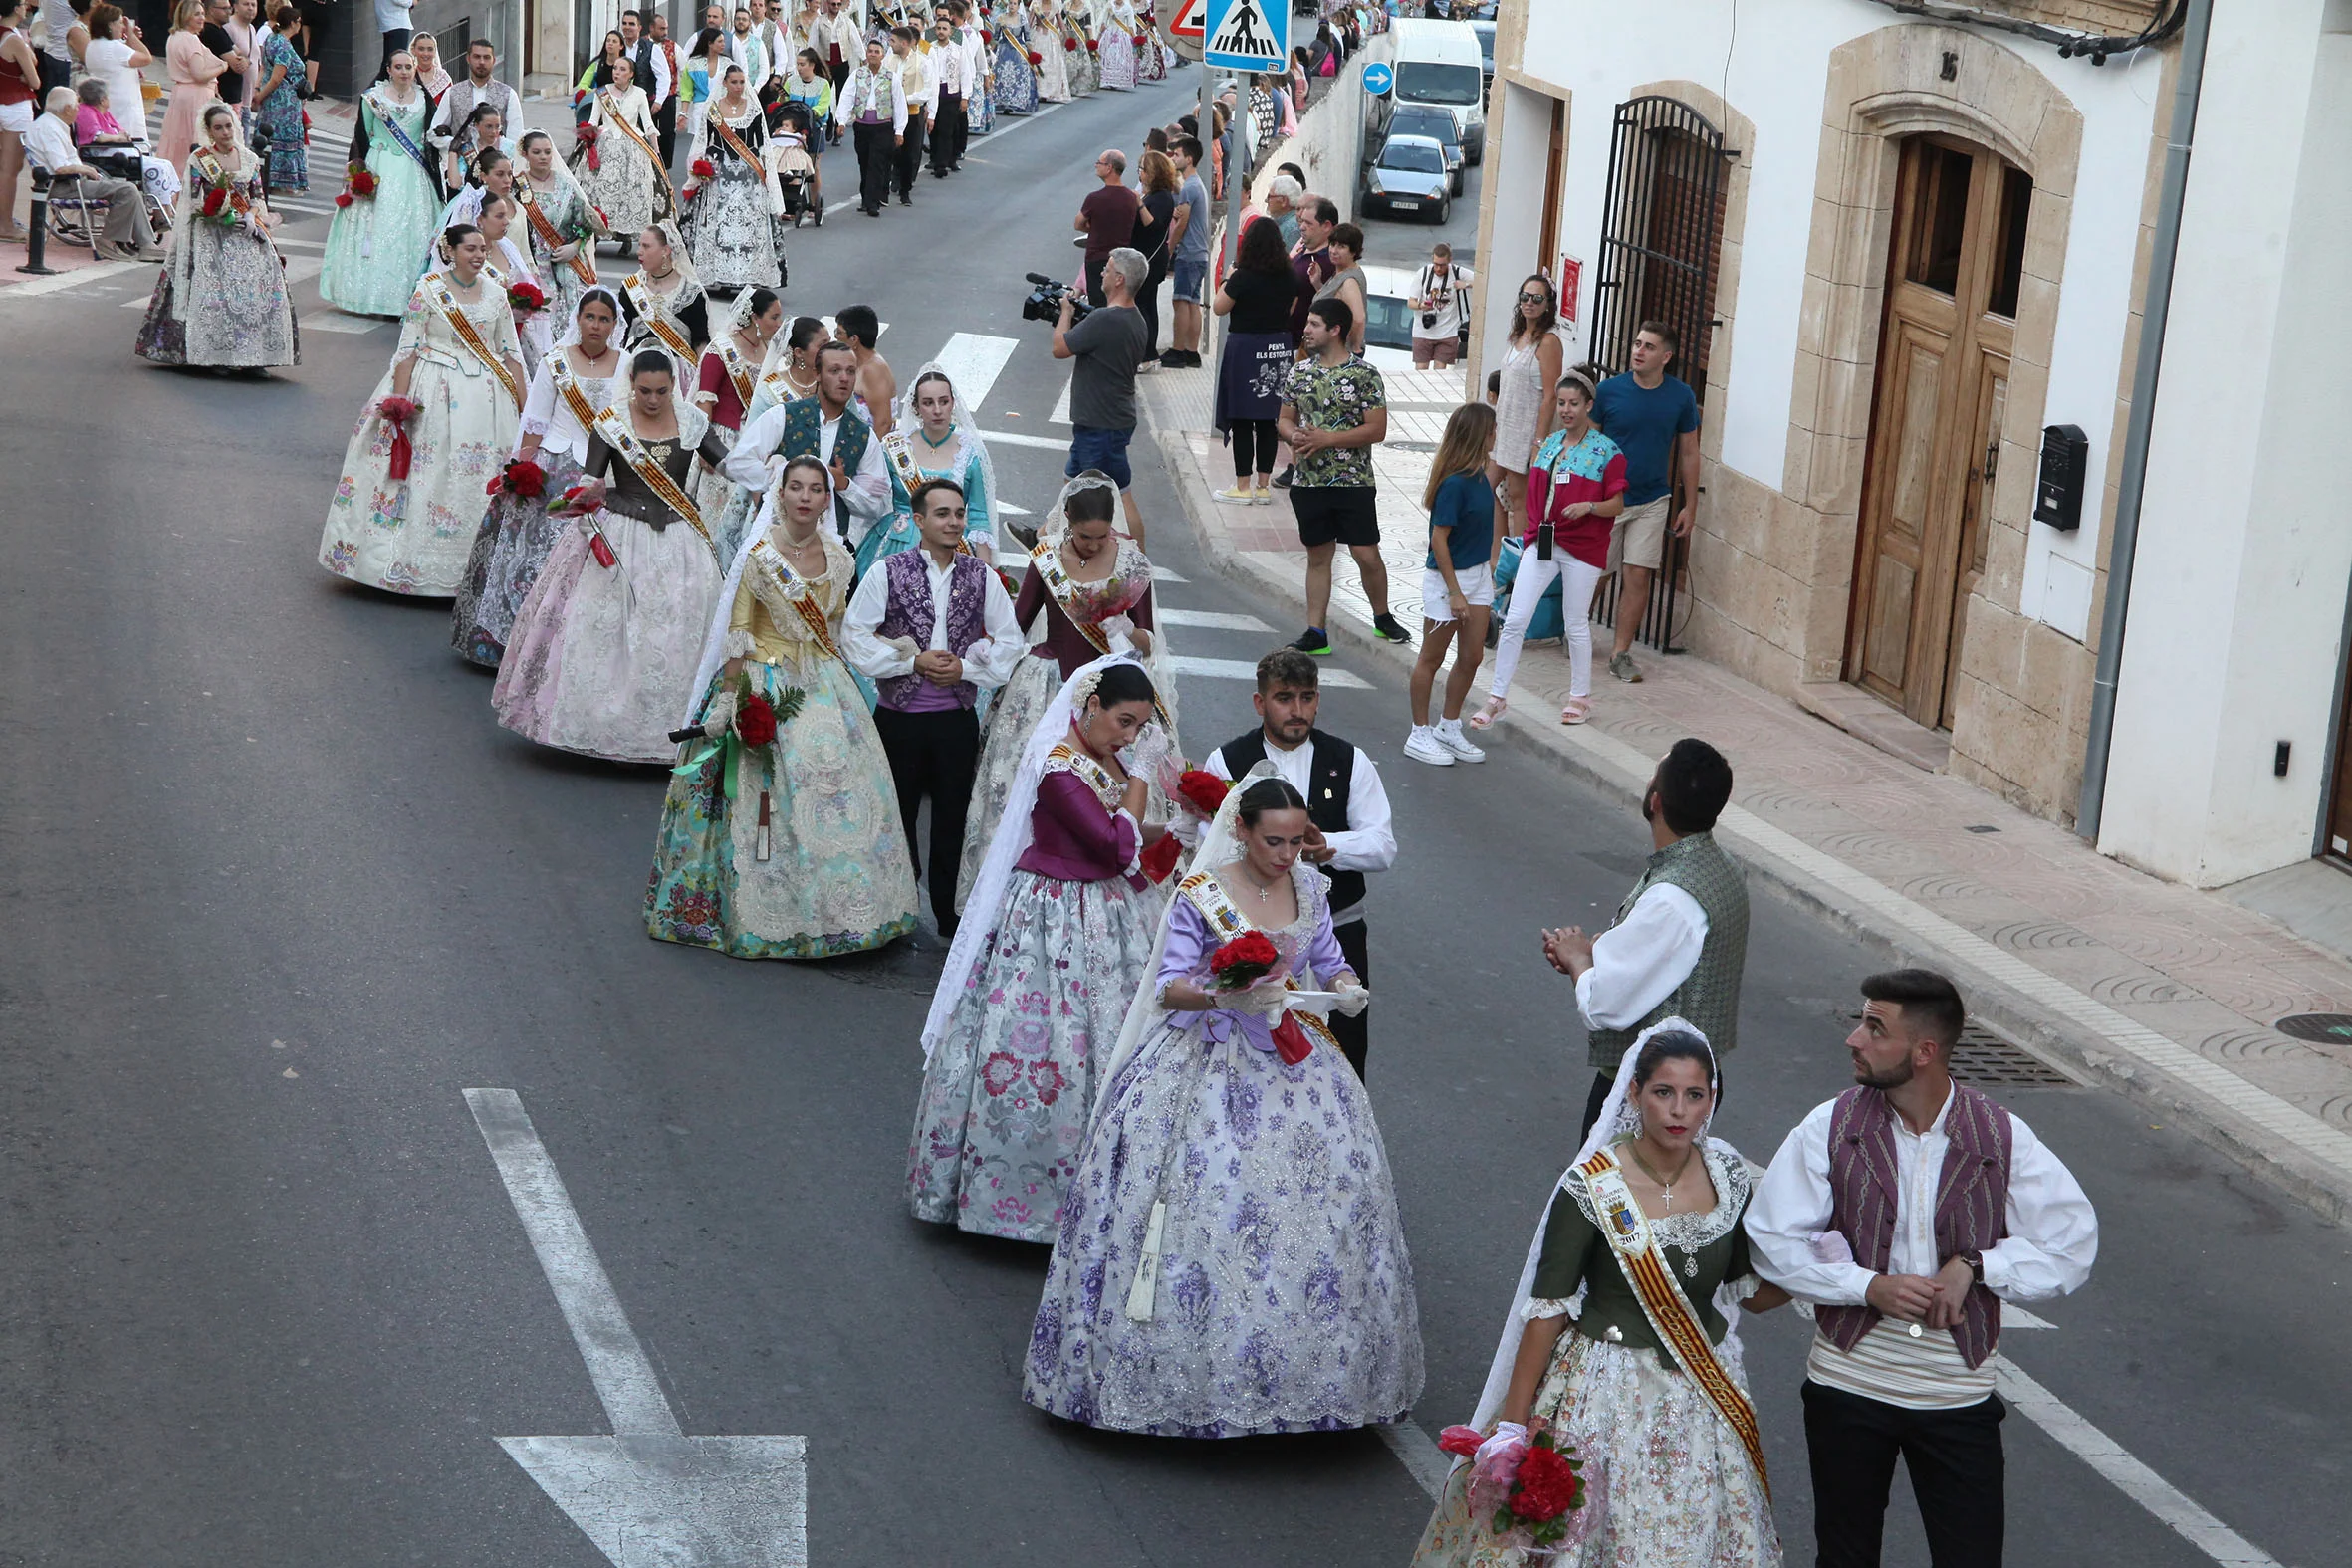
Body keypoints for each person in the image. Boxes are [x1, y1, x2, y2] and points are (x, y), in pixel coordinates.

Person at [1023, 771, 1416, 1436]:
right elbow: (1170, 987)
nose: (1286, 855)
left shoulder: (1312, 888)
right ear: (1241, 829)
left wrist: (1346, 985)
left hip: (1295, 1064)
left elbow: (1327, 954)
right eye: (1273, 841)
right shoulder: (1202, 895)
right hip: (1203, 1060)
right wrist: (1225, 995)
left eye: (1296, 843)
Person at [1747, 969, 2099, 1568]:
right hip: (1849, 1386)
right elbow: (1770, 1242)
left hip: (1956, 1394)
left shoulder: (2000, 1135)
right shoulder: (1829, 1125)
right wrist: (1867, 1287)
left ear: (1924, 1051)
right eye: (1862, 1022)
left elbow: (2073, 1245)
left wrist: (1976, 1265)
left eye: (1874, 1028)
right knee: (1845, 1557)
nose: (1854, 1039)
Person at [1410, 1021, 1788, 1567]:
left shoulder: (1728, 1174)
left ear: (1710, 1101)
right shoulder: (1591, 1184)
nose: (1678, 1110)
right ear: (1634, 1094)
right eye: (1663, 1092)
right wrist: (1513, 1427)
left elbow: (1747, 1292)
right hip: (1605, 1393)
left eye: (1694, 1095)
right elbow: (1547, 1310)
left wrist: (1824, 1276)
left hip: (1701, 1395)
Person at [909, 652, 1171, 1242]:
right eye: (1124, 721)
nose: (1130, 736)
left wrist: (1176, 828)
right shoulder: (1059, 767)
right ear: (1091, 706)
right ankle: (1020, 1202)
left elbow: (1122, 833)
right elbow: (1110, 844)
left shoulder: (1102, 759)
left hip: (1104, 911)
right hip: (1050, 915)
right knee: (1048, 1049)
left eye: (1139, 726)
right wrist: (1140, 782)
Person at [645, 454, 922, 959]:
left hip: (822, 685)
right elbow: (739, 632)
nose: (804, 497)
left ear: (825, 499)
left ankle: (843, 911)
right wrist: (729, 700)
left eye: (815, 489)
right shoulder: (759, 556)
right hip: (763, 680)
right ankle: (763, 911)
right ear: (781, 493)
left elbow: (839, 628)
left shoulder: (840, 559)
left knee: (837, 791)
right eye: (795, 487)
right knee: (762, 801)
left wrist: (892, 645)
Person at [493, 348, 733, 761]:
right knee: (603, 625)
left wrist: (775, 477)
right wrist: (585, 500)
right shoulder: (611, 423)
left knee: (681, 625)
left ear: (674, 387)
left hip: (679, 539)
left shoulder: (692, 422)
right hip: (622, 533)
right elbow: (593, 479)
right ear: (632, 385)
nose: (653, 400)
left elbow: (729, 466)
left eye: (661, 391)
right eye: (645, 391)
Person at [955, 472, 1158, 909]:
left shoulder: (1132, 563)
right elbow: (1019, 622)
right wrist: (987, 647)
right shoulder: (1045, 558)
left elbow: (1148, 639)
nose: (1094, 545)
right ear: (1067, 520)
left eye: (1102, 536)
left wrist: (1125, 630)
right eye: (1085, 536)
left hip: (1109, 694)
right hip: (1046, 686)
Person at [1193, 648, 1394, 1078]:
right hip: (1252, 936)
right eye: (1285, 698)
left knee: (1344, 1053)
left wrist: (1328, 848)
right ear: (1259, 702)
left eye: (1307, 697)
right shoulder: (1227, 762)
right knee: (1251, 1058)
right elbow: (1205, 851)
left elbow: (1383, 845)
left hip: (1338, 929)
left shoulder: (1349, 761)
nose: (1298, 710)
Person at [840, 479, 1025, 936]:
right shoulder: (887, 570)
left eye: (959, 513)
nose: (954, 521)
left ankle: (947, 912)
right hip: (898, 720)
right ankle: (895, 907)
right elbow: (854, 636)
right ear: (919, 521)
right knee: (895, 815)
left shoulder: (981, 576)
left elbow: (1010, 643)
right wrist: (908, 659)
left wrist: (965, 669)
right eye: (942, 513)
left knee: (952, 816)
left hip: (955, 720)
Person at [1541, 737, 1748, 1135]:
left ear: (1655, 801)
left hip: (1652, 1096)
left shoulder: (1672, 898)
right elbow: (1666, 959)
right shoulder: (1720, 866)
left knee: (1607, 1196)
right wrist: (1599, 950)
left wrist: (1579, 960)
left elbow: (1603, 1006)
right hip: (1692, 1085)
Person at [320, 222, 523, 594]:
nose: (479, 255)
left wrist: (525, 414)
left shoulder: (496, 295)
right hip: (432, 389)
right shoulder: (428, 291)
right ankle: (397, 564)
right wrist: (400, 403)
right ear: (451, 251)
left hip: (486, 400)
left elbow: (511, 355)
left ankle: (472, 573)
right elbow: (408, 349)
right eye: (470, 249)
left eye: (482, 249)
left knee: (475, 478)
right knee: (424, 473)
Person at [452, 286, 628, 667]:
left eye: (604, 319)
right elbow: (535, 420)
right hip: (553, 468)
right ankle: (512, 645)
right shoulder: (555, 362)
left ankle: (567, 654)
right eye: (590, 317)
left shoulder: (628, 364)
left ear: (615, 324)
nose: (596, 325)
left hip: (602, 474)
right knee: (527, 558)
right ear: (577, 319)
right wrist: (524, 468)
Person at [1473, 371, 1626, 732]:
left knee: (1575, 623)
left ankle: (1580, 697)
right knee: (1514, 620)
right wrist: (1529, 534)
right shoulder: (1550, 446)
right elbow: (1534, 498)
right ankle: (1496, 698)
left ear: (1589, 406)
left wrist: (1589, 506)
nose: (1567, 410)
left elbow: (1617, 504)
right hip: (1543, 542)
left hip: (1583, 549)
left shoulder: (1608, 452)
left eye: (1574, 404)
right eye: (1561, 404)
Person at [1279, 298, 1405, 653]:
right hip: (1309, 483)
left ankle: (1382, 617)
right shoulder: (1299, 372)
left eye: (1315, 324)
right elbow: (1284, 418)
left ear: (1335, 330)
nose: (1306, 330)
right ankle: (1315, 632)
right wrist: (1294, 435)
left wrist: (1328, 439)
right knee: (1318, 557)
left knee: (1366, 554)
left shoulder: (1364, 374)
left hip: (1353, 482)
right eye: (1308, 324)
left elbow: (1377, 429)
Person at [134, 103, 297, 368]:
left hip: (245, 230)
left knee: (256, 294)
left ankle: (255, 358)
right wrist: (215, 212)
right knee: (215, 296)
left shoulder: (249, 159)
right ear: (209, 132)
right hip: (212, 233)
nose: (225, 132)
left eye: (228, 126)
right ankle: (215, 355)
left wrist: (250, 215)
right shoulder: (200, 159)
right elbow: (191, 199)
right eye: (218, 128)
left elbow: (257, 196)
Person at [1595, 320, 1703, 685]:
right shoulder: (1608, 392)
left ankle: (1620, 653)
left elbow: (1689, 451)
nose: (1638, 351)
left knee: (1638, 574)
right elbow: (1589, 446)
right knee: (1598, 575)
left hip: (1654, 499)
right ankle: (1573, 631)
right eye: (1637, 344)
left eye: (1649, 347)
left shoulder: (1681, 396)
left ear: (1666, 357)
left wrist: (1690, 505)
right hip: (1608, 501)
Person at [721, 336, 890, 549]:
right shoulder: (784, 416)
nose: (844, 378)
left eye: (850, 371)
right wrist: (781, 478)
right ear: (817, 374)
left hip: (831, 548)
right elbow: (737, 463)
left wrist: (845, 486)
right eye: (835, 371)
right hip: (778, 543)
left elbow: (878, 506)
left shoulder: (863, 435)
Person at [1404, 402, 1497, 767]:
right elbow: (1438, 540)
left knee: (1472, 656)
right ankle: (1419, 730)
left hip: (1477, 576)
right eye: (1491, 429)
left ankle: (1448, 725)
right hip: (1447, 580)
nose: (1495, 435)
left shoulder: (1480, 476)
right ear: (1478, 434)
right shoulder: (1454, 485)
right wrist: (1455, 591)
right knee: (1432, 657)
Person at [320, 50, 443, 318]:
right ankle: (367, 294)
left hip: (413, 172)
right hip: (380, 166)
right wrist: (358, 172)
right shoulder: (373, 98)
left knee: (410, 229)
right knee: (374, 229)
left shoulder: (424, 99)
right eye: (398, 66)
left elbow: (431, 137)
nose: (404, 71)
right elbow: (361, 137)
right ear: (388, 69)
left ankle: (407, 296)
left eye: (408, 67)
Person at [1053, 246, 1152, 548]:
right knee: (1077, 487)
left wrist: (1066, 313)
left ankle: (1138, 564)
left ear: (1120, 279)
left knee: (1109, 496)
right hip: (1108, 420)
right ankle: (1047, 534)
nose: (1102, 273)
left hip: (1100, 423)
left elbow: (1060, 348)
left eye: (1107, 269)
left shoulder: (1106, 319)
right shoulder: (1135, 318)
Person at [862, 361, 999, 578]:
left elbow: (979, 516)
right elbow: (872, 502)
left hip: (950, 545)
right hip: (898, 543)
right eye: (928, 403)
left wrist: (985, 573)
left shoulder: (970, 454)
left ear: (953, 403)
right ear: (916, 408)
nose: (937, 410)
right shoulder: (894, 448)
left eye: (943, 402)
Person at [1210, 215, 1303, 507]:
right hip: (1277, 349)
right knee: (1268, 420)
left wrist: (1228, 277)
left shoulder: (1243, 276)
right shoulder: (1289, 276)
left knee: (1241, 418)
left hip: (1245, 349)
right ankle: (1263, 487)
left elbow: (1218, 307)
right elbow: (1291, 308)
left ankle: (1242, 486)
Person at [680, 61, 787, 292]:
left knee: (749, 225)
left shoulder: (754, 108)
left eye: (741, 82)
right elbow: (702, 142)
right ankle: (719, 273)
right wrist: (699, 169)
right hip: (719, 175)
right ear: (725, 83)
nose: (738, 86)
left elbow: (763, 143)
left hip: (749, 175)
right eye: (734, 82)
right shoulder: (713, 109)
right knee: (718, 223)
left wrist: (767, 174)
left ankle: (749, 274)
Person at [687, 284, 781, 540]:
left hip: (755, 442)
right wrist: (705, 449)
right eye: (774, 317)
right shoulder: (721, 350)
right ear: (754, 318)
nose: (779, 323)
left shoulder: (768, 353)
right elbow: (704, 401)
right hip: (722, 441)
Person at [1489, 272, 1565, 585]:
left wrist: (1539, 442)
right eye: (1525, 297)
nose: (1529, 303)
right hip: (1504, 429)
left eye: (1537, 298)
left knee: (1519, 500)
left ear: (1548, 305)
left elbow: (1550, 396)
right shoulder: (1516, 336)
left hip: (1526, 432)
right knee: (1485, 488)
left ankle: (1519, 568)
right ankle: (1497, 557)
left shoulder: (1548, 342)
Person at [24, 85, 159, 259]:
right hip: (65, 185)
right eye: (76, 105)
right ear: (66, 109)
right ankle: (110, 241)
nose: (78, 109)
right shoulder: (49, 129)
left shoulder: (50, 124)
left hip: (69, 182)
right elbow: (60, 167)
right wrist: (85, 169)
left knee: (128, 190)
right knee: (127, 190)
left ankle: (147, 244)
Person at [514, 128, 607, 323]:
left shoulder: (566, 185)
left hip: (568, 260)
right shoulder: (517, 187)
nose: (543, 157)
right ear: (525, 154)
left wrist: (574, 247)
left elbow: (584, 223)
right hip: (534, 263)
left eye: (547, 152)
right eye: (536, 152)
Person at [573, 55, 668, 242]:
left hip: (633, 145)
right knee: (599, 188)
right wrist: (587, 136)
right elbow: (594, 120)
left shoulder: (640, 93)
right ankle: (598, 231)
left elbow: (648, 124)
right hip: (606, 144)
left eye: (623, 69)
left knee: (634, 188)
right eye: (616, 68)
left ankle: (626, 236)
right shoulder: (602, 92)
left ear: (631, 74)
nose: (617, 72)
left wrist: (656, 153)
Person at [615, 219, 710, 383]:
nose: (639, 252)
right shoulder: (632, 288)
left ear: (665, 251)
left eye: (646, 246)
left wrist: (705, 383)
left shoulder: (691, 293)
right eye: (639, 245)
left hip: (678, 376)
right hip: (638, 370)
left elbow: (701, 343)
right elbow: (619, 336)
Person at [428, 36, 521, 187]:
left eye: (486, 57)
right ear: (468, 58)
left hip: (497, 176)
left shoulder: (508, 93)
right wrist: (455, 145)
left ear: (494, 60)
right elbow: (433, 133)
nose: (482, 62)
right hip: (460, 173)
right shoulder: (453, 92)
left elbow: (515, 136)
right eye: (477, 57)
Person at [833, 34, 903, 218]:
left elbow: (899, 103)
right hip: (862, 126)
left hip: (883, 126)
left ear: (882, 55)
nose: (873, 54)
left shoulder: (891, 77)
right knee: (864, 162)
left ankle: (874, 203)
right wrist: (841, 121)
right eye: (870, 51)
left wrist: (900, 131)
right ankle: (867, 198)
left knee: (877, 163)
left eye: (877, 52)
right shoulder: (858, 74)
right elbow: (847, 97)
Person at [154, 0, 223, 177]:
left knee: (177, 141)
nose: (202, 18)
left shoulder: (174, 37)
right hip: (196, 95)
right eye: (197, 14)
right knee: (195, 142)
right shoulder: (191, 40)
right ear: (186, 17)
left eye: (202, 13)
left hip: (181, 94)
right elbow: (199, 74)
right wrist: (222, 67)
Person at [1162, 135, 1211, 369]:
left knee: (1180, 301)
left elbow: (1182, 222)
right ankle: (1192, 352)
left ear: (1189, 159)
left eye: (1178, 155)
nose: (1174, 159)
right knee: (1192, 302)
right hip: (1199, 253)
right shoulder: (1196, 185)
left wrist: (1170, 248)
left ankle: (1178, 350)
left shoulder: (1189, 188)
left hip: (1189, 253)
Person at [248, 6, 306, 191]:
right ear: (293, 23)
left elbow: (265, 68)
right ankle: (280, 180)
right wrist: (260, 95)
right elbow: (277, 78)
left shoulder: (271, 39)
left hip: (273, 100)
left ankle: (269, 177)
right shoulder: (283, 45)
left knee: (269, 136)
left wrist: (258, 91)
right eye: (298, 21)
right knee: (282, 137)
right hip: (283, 102)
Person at [1130, 147, 1178, 364]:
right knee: (1147, 304)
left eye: (1142, 169)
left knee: (1143, 306)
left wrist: (1138, 203)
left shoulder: (1162, 198)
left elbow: (1153, 225)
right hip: (1146, 256)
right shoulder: (1153, 195)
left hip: (1151, 258)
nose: (1139, 173)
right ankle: (1147, 353)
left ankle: (1147, 353)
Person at [1072, 145, 1137, 306]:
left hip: (1096, 258)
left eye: (1099, 163)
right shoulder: (1131, 198)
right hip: (1120, 260)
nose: (1096, 166)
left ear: (1110, 168)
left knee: (1097, 303)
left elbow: (1078, 223)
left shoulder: (1095, 198)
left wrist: (1093, 228)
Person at [1410, 241, 1471, 368]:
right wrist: (1421, 305)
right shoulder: (1423, 273)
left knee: (1439, 375)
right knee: (1420, 372)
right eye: (1436, 264)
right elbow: (1410, 302)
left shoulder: (1456, 272)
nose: (1438, 268)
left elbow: (1482, 278)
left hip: (1447, 332)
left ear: (1449, 261)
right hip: (1423, 332)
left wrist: (1466, 284)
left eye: (1442, 265)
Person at [1313, 220, 1369, 354]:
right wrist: (1317, 283)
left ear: (1354, 251)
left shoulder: (1349, 280)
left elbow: (1359, 318)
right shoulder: (1341, 272)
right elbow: (1333, 302)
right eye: (1332, 244)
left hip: (1337, 354)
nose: (1334, 251)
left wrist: (1354, 349)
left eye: (1342, 246)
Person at [836, 302, 892, 429]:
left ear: (854, 339)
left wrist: (868, 449)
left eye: (839, 333)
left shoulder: (873, 370)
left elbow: (883, 423)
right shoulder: (856, 363)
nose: (836, 336)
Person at [922, 13, 962, 176]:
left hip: (950, 92)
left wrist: (965, 96)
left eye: (944, 29)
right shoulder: (930, 48)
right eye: (938, 28)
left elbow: (965, 72)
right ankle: (936, 158)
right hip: (933, 92)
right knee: (934, 128)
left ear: (950, 32)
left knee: (947, 129)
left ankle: (943, 163)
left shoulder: (958, 50)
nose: (941, 31)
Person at [648, 11, 683, 167]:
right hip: (648, 97)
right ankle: (650, 162)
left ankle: (665, 166)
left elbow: (684, 69)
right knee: (649, 130)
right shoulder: (643, 45)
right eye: (661, 29)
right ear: (651, 28)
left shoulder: (673, 47)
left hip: (668, 96)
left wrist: (681, 90)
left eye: (666, 29)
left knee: (668, 132)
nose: (665, 32)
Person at [1028, 0, 1068, 103]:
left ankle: (1049, 91)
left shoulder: (1055, 5)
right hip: (1038, 36)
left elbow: (1060, 22)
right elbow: (1029, 22)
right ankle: (1039, 91)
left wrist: (1068, 38)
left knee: (1051, 64)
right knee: (1039, 63)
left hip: (1051, 38)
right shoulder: (1035, 4)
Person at [372, 0, 410, 80]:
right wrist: (412, 2)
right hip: (396, 22)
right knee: (394, 64)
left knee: (390, 63)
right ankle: (376, 90)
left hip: (392, 21)